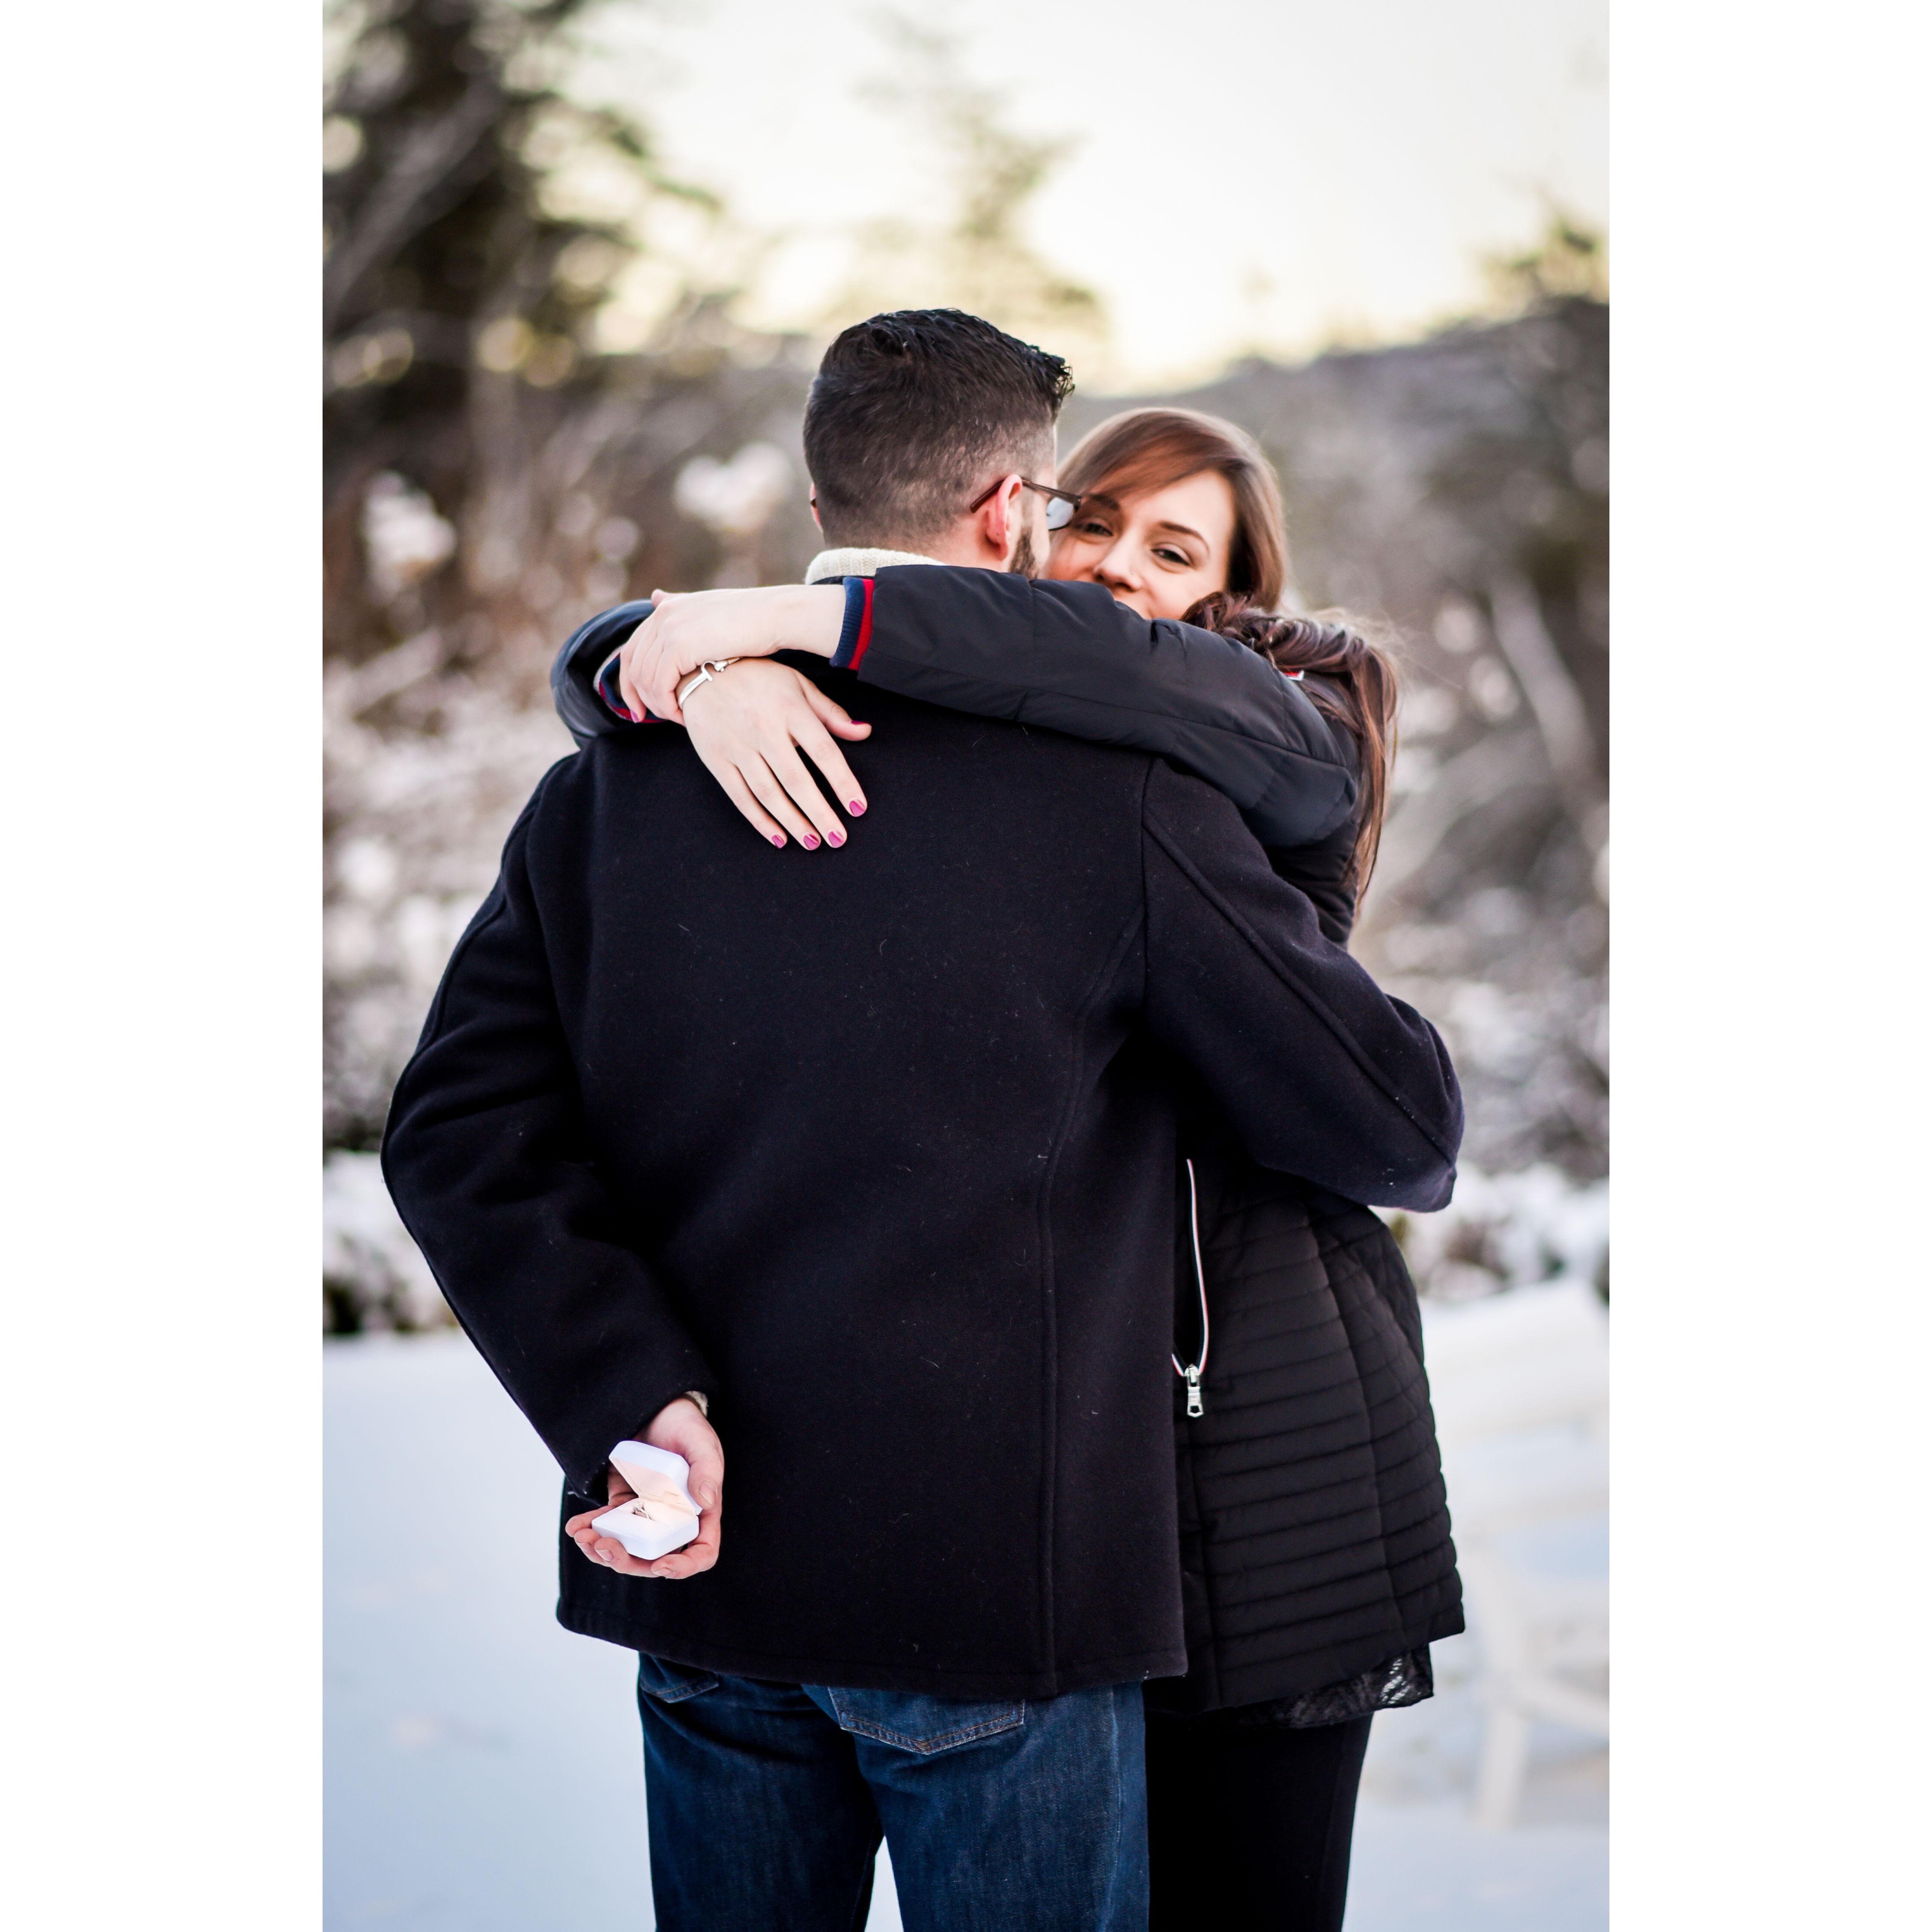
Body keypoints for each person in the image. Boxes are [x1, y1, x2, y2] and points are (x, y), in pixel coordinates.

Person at [384, 311, 1463, 1932]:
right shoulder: (1126, 803)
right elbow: (1396, 1124)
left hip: (709, 1578)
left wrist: (627, 1395)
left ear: (822, 502)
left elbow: (455, 1134)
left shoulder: (605, 790)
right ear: (1012, 510)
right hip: (996, 1602)